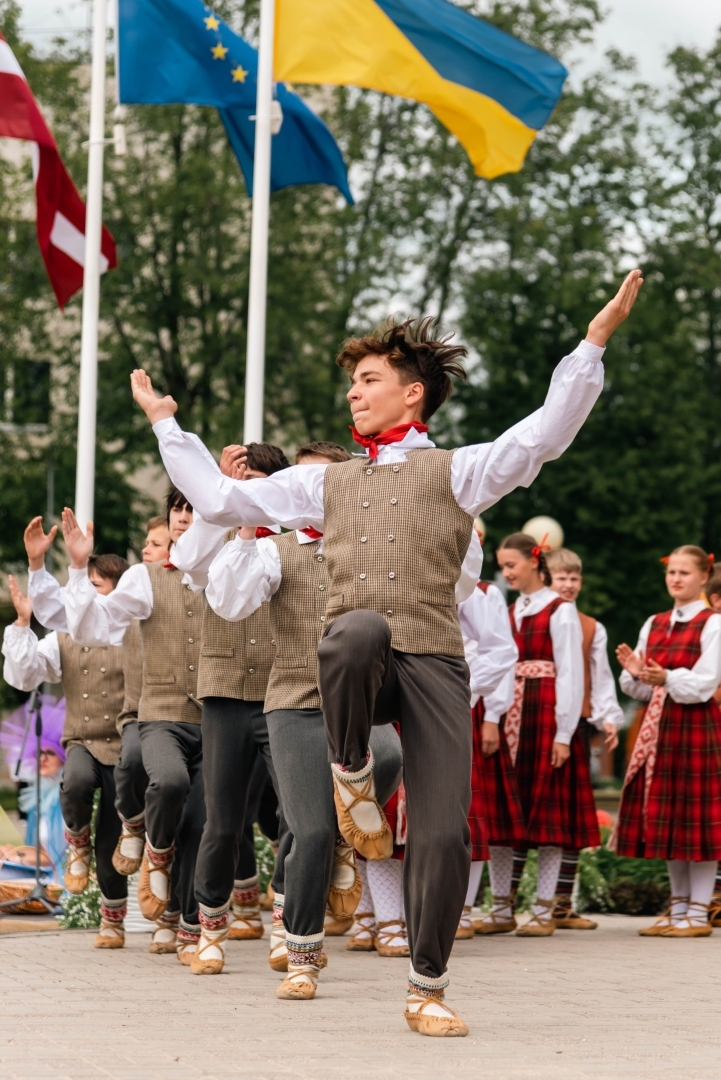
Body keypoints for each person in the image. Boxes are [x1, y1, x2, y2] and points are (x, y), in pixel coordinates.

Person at [129, 271, 642, 1036]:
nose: (353, 395)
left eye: (367, 381)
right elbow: (220, 501)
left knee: (442, 833)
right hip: (351, 666)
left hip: (433, 660)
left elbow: (540, 436)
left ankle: (426, 987)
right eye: (352, 384)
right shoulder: (321, 481)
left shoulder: (460, 470)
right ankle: (351, 768)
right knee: (355, 628)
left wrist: (590, 346)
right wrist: (170, 426)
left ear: (412, 395)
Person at [204, 440, 403, 993]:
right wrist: (247, 522)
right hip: (292, 699)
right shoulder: (275, 550)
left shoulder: (370, 547)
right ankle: (302, 957)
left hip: (360, 702)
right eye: (306, 482)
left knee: (389, 755)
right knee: (308, 831)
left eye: (327, 482)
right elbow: (229, 601)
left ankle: (347, 839)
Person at [60, 488, 206, 964]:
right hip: (156, 714)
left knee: (203, 825)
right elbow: (91, 625)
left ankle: (182, 924)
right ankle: (146, 843)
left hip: (218, 713)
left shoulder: (228, 569)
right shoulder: (144, 579)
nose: (183, 518)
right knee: (162, 781)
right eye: (177, 510)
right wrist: (79, 570)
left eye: (192, 509)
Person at [169, 441, 290, 973]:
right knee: (222, 819)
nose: (250, 492)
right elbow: (184, 560)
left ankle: (291, 922)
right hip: (224, 696)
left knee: (296, 816)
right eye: (242, 483)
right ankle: (208, 925)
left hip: (286, 694)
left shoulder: (294, 540)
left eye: (258, 483)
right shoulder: (213, 540)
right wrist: (219, 500)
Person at [474, 533, 598, 940]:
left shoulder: (560, 611)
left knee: (547, 817)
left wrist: (564, 733)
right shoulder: (510, 611)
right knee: (506, 819)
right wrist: (492, 717)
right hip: (511, 715)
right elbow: (497, 667)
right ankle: (502, 907)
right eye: (503, 566)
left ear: (534, 561)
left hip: (545, 715)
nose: (507, 572)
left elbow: (571, 674)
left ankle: (544, 910)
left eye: (512, 565)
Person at [2, 557, 130, 948]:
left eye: (100, 586)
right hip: (83, 740)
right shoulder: (63, 638)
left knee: (111, 838)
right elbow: (25, 674)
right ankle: (76, 840)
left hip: (126, 744)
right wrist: (23, 623)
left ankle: (113, 917)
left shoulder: (134, 634)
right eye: (86, 584)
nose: (90, 594)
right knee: (73, 781)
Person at [614, 546, 721, 937]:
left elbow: (706, 683)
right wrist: (636, 674)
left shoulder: (714, 624)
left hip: (695, 727)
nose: (676, 579)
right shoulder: (654, 621)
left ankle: (697, 912)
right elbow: (641, 689)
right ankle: (677, 909)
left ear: (704, 577)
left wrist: (667, 678)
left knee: (698, 818)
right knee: (670, 817)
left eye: (684, 573)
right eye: (671, 572)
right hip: (659, 727)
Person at [544, 546, 625, 929]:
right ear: (547, 578)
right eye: (563, 577)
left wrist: (609, 716)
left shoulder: (592, 626)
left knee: (572, 818)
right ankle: (520, 903)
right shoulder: (530, 616)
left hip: (576, 724)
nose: (570, 584)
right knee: (536, 818)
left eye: (575, 578)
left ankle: (562, 903)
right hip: (534, 722)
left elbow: (601, 675)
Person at [455, 576, 518, 937]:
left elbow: (498, 651)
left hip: (464, 701)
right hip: (409, 698)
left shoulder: (480, 591)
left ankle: (463, 909)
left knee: (469, 812)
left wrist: (491, 713)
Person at [0, 697, 67, 880]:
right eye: (39, 753)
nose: (43, 758)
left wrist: (15, 856)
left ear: (63, 756)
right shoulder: (40, 796)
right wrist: (11, 852)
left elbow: (60, 858)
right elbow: (42, 852)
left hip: (64, 880)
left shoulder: (65, 797)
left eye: (51, 752)